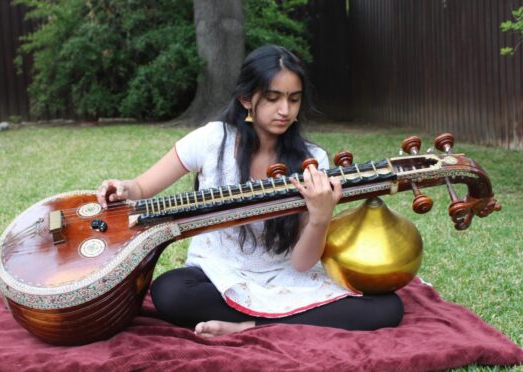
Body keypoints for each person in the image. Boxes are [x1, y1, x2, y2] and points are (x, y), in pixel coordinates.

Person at [97, 44, 403, 338]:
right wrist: (123, 187)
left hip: (282, 278)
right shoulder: (211, 140)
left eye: (294, 99)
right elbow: (141, 187)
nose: (285, 110)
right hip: (216, 275)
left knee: (387, 307)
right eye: (273, 98)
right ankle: (284, 322)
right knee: (169, 292)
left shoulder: (312, 160)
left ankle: (250, 326)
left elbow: (300, 263)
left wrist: (320, 219)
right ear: (246, 99)